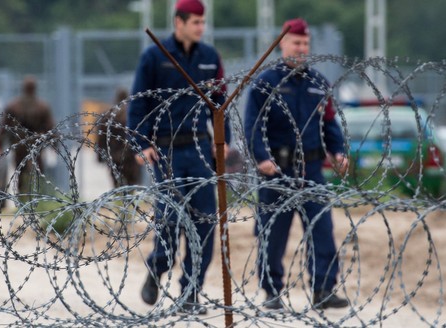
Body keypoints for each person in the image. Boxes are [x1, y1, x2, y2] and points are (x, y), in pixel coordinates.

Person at [127, 0, 231, 315]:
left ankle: (191, 292)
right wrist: (140, 145)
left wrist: (223, 141)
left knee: (204, 223)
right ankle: (157, 268)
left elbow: (220, 103)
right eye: (196, 22)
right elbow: (138, 105)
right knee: (170, 220)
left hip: (199, 151)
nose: (201, 28)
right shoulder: (155, 56)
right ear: (179, 22)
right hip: (165, 151)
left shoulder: (210, 58)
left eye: (203, 22)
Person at [243, 18, 350, 310]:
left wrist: (338, 152)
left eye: (305, 43)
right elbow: (252, 125)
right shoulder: (266, 83)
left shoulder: (318, 83)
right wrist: (261, 158)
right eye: (296, 43)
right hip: (277, 170)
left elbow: (329, 124)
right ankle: (272, 292)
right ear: (282, 44)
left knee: (321, 230)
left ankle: (323, 289)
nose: (301, 48)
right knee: (273, 233)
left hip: (312, 169)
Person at [0, 75, 56, 193]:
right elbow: (50, 128)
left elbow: (4, 127)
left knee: (20, 171)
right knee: (38, 171)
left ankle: (22, 196)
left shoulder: (14, 105)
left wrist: (0, 143)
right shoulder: (42, 106)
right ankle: (38, 195)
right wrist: (55, 144)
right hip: (36, 143)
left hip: (20, 143)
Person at [96, 88, 141, 188]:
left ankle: (120, 201)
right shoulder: (132, 115)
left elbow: (101, 137)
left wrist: (100, 156)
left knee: (117, 184)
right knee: (132, 186)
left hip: (113, 156)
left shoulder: (108, 116)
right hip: (130, 157)